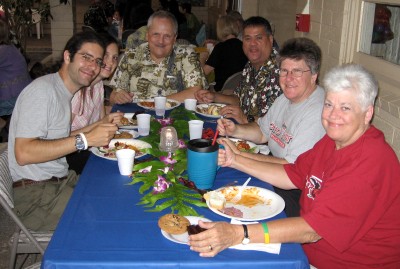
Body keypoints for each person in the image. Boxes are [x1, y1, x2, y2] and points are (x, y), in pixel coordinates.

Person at [189, 64, 400, 268]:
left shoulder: (369, 162)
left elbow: (312, 230)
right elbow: (291, 175)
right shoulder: (333, 141)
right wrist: (235, 160)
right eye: (329, 104)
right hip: (304, 250)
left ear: (367, 113)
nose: (333, 115)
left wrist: (238, 234)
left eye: (345, 107)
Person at [8, 31, 118, 231]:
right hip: (37, 196)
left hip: (58, 182)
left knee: (113, 193)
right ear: (68, 57)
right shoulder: (42, 91)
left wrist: (97, 126)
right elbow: (24, 153)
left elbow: (55, 141)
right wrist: (85, 140)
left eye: (97, 61)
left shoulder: (62, 92)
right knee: (107, 221)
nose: (93, 67)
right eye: (86, 57)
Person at [217, 37, 326, 217]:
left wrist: (238, 157)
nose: (288, 78)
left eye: (297, 71)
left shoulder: (317, 112)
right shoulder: (285, 98)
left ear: (314, 76)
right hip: (274, 174)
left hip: (297, 194)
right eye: (284, 71)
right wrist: (235, 130)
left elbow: (292, 169)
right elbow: (262, 133)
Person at [195, 16, 282, 124]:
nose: (253, 43)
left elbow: (275, 124)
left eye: (259, 38)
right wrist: (213, 96)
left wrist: (244, 117)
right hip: (242, 127)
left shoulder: (282, 72)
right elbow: (238, 99)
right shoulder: (249, 66)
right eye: (248, 38)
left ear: (270, 39)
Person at [109, 10, 208, 104]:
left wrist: (154, 103)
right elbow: (113, 96)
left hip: (174, 116)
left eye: (167, 36)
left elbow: (196, 93)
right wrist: (118, 97)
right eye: (156, 34)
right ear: (147, 35)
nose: (161, 41)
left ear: (174, 38)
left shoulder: (186, 55)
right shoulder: (131, 56)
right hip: (134, 116)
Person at [67, 33, 123, 174]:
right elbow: (63, 137)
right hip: (71, 156)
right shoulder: (77, 90)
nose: (110, 63)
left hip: (90, 148)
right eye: (106, 56)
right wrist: (102, 123)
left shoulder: (98, 86)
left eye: (115, 58)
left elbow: (102, 121)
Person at [0, 19, 32, 135]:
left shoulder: (2, 51)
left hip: (13, 98)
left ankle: (2, 123)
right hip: (21, 93)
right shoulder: (9, 48)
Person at [201, 15, 247, 92]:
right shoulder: (244, 46)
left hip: (222, 91)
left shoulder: (220, 48)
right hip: (240, 89)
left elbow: (203, 73)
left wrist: (202, 59)